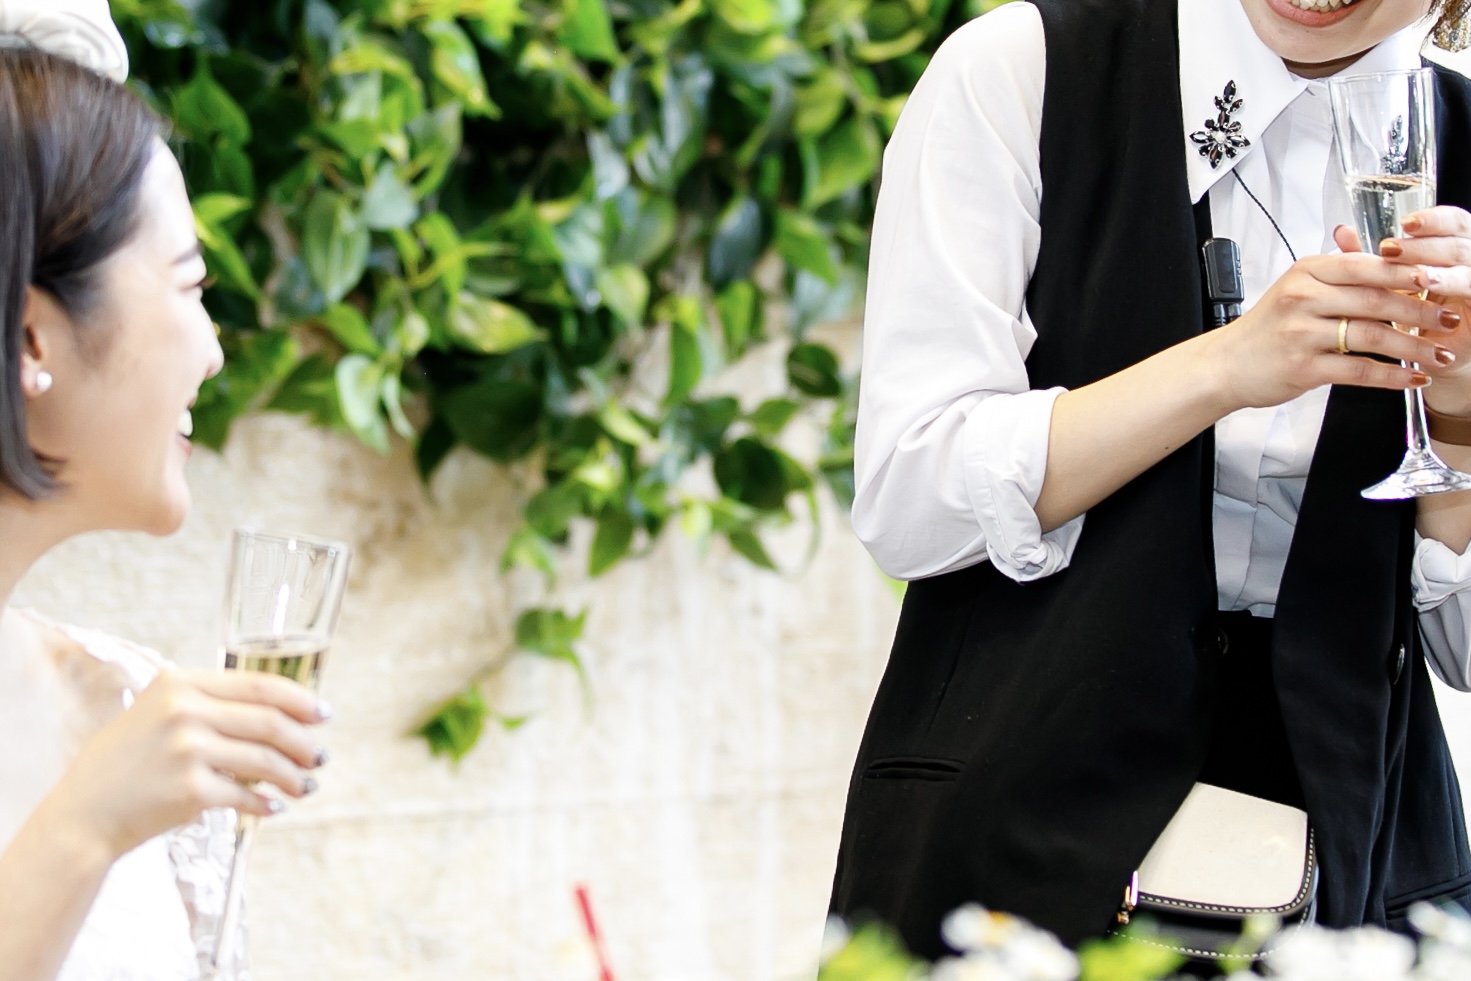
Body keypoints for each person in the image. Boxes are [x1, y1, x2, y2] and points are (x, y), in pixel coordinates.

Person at [831, 0, 1471, 960]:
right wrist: (1224, 368)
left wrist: (1458, 418)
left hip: (1360, 874)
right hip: (1008, 843)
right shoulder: (1022, 69)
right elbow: (909, 494)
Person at [0, 9, 330, 980]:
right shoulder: (124, 760)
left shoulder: (124, 700)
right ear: (31, 339)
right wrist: (85, 824)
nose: (215, 352)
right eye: (190, 289)